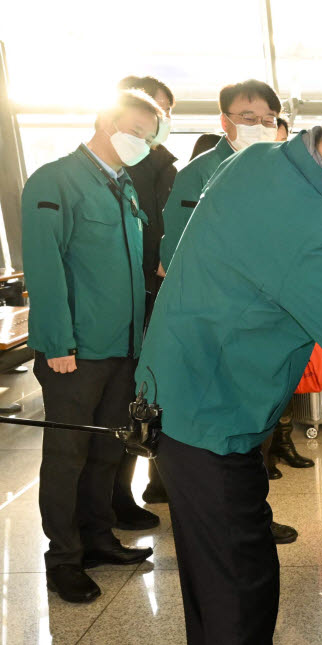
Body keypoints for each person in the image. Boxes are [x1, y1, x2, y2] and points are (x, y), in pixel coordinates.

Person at [137, 78, 322, 643]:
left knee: (214, 581)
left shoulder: (261, 159)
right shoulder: (306, 227)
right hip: (211, 416)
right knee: (240, 592)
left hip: (182, 394)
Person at [21, 89, 164, 604]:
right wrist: (57, 341)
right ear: (106, 122)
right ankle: (63, 557)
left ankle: (99, 539)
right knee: (67, 455)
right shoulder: (55, 179)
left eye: (149, 136)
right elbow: (44, 264)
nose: (141, 142)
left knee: (107, 449)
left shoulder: (123, 186)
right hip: (74, 351)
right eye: (135, 130)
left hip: (121, 348)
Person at [113, 75, 177, 515]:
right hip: (130, 299)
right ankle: (117, 498)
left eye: (163, 112)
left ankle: (155, 482)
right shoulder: (118, 170)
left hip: (155, 296)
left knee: (152, 393)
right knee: (124, 401)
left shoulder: (161, 165)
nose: (157, 120)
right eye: (151, 109)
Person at [159, 79, 281, 271]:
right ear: (225, 121)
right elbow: (175, 253)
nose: (260, 127)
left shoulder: (277, 173)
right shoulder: (198, 173)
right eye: (248, 119)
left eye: (268, 120)